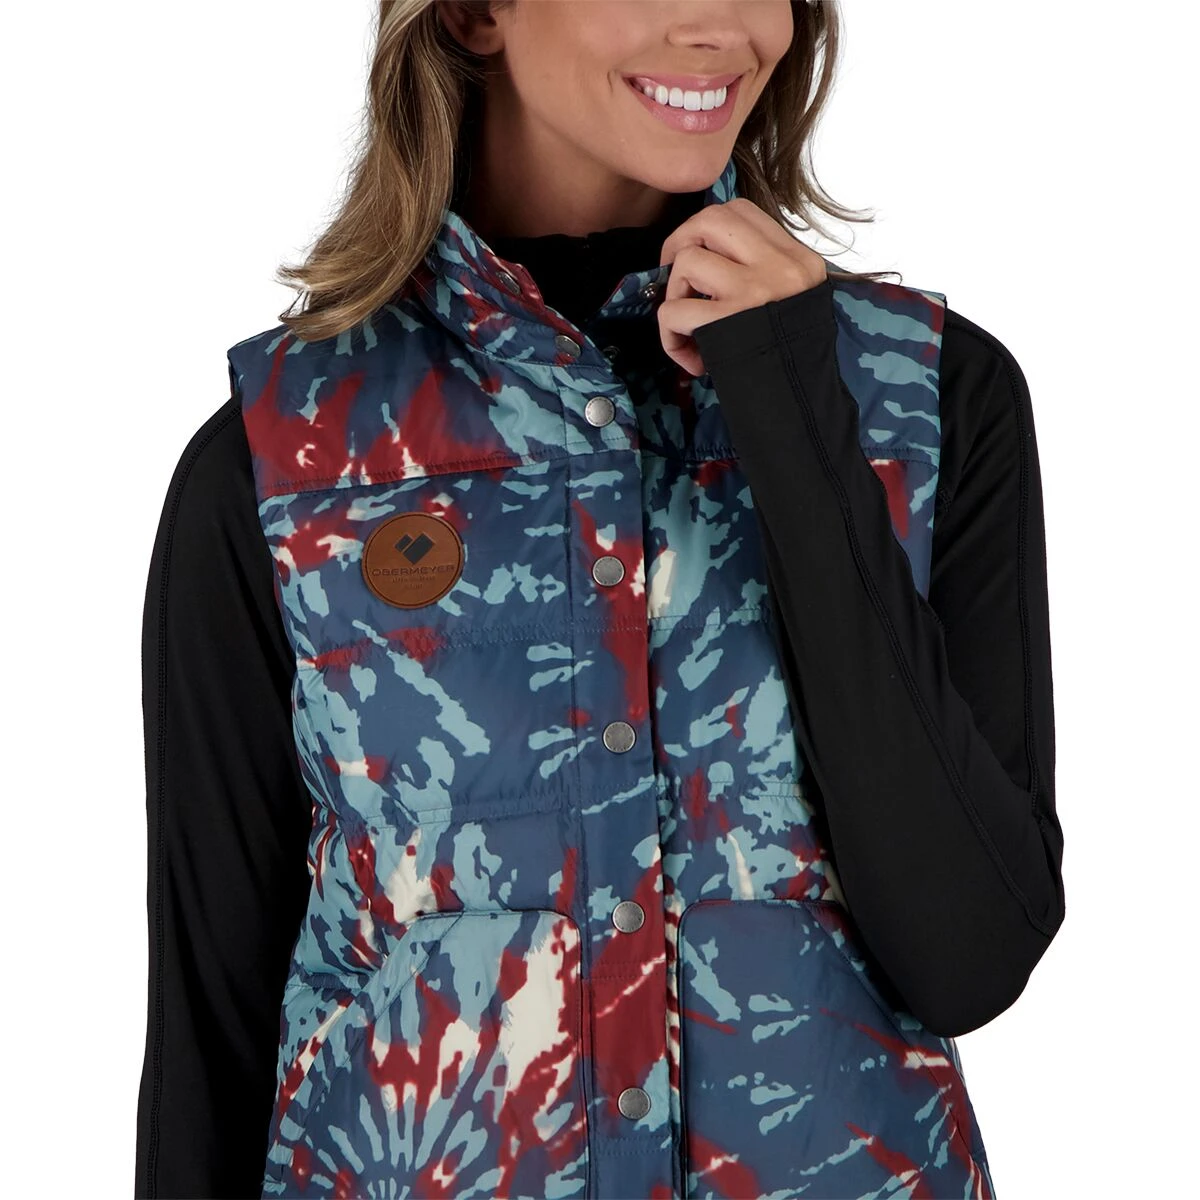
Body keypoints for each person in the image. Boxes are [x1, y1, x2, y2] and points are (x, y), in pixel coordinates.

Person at [134, 2, 1065, 1197]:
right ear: (474, 14)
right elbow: (212, 1034)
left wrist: (795, 416)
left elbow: (971, 955)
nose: (722, 23)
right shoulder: (290, 460)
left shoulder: (923, 403)